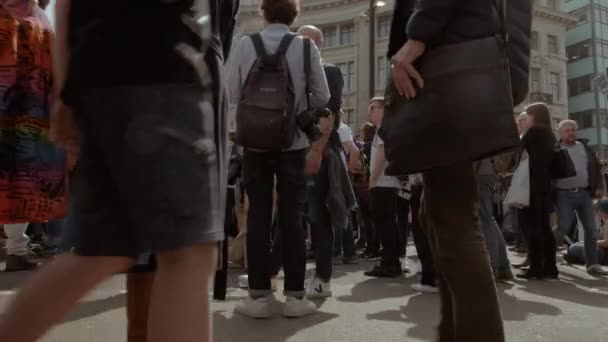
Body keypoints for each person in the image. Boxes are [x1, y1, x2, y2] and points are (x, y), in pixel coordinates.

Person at [0, 1, 225, 342]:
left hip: (99, 73)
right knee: (186, 253)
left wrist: (65, 88)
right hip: (162, 66)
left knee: (100, 251)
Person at [388, 0, 507, 340]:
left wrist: (417, 37)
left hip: (447, 64)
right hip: (455, 64)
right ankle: (452, 331)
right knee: (440, 213)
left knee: (454, 219)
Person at [228, 0, 330, 319]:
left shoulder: (246, 44)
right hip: (293, 143)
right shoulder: (303, 46)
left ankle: (258, 296)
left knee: (257, 214)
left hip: (254, 144)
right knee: (292, 216)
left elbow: (231, 93)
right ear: (294, 15)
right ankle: (296, 297)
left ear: (264, 12)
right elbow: (323, 95)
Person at [0, 0, 68, 272]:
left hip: (30, 115)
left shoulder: (38, 17)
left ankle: (17, 248)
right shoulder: (36, 18)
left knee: (20, 184)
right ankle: (18, 248)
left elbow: (54, 64)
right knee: (18, 181)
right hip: (25, 113)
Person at [296, 25, 357, 300]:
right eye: (297, 40)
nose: (300, 45)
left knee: (319, 218)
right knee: (290, 217)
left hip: (319, 153)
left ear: (319, 44)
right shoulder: (294, 69)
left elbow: (329, 113)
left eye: (305, 41)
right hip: (293, 152)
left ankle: (322, 278)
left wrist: (317, 150)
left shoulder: (329, 72)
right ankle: (271, 272)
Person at [554, 120, 606, 276]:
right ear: (560, 133)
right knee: (563, 227)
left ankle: (592, 264)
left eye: (573, 130)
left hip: (584, 194)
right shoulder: (555, 150)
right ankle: (546, 252)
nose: (571, 133)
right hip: (563, 193)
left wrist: (598, 187)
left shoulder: (584, 147)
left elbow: (595, 168)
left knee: (591, 229)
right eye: (567, 130)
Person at [517, 103, 559, 280]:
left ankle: (536, 268)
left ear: (534, 116)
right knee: (544, 227)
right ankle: (550, 267)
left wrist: (521, 132)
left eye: (527, 115)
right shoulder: (549, 133)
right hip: (544, 185)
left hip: (530, 185)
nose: (525, 118)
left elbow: (516, 150)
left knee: (531, 226)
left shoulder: (532, 133)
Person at [365, 97, 401, 278]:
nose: (369, 112)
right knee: (388, 224)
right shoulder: (386, 129)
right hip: (388, 183)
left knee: (384, 224)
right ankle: (391, 261)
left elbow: (380, 155)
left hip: (382, 183)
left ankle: (389, 263)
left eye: (372, 108)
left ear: (382, 109)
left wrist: (372, 180)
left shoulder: (383, 130)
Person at [476, 158, 513, 281]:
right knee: (489, 221)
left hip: (479, 172)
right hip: (489, 172)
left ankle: (493, 268)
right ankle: (503, 268)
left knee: (486, 222)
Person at [564, 199, 608, 266]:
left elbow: (606, 243)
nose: (597, 213)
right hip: (602, 250)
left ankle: (576, 258)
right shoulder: (604, 221)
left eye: (598, 210)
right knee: (577, 245)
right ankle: (576, 257)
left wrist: (593, 242)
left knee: (573, 248)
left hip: (604, 254)